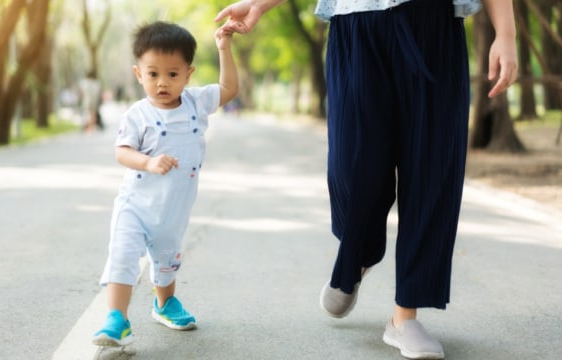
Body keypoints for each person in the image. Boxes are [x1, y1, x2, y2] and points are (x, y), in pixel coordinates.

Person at [215, 0, 517, 359]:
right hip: (355, 24)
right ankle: (359, 250)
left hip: (434, 24)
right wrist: (260, 5)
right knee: (353, 165)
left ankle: (406, 315)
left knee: (432, 170)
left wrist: (506, 33)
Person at [92, 21, 238, 347]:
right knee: (123, 252)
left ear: (188, 73)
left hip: (173, 208)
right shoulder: (137, 114)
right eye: (153, 73)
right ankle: (117, 318)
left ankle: (164, 302)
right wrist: (148, 161)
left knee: (167, 258)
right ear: (138, 73)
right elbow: (122, 152)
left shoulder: (196, 103)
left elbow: (229, 90)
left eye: (173, 74)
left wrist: (224, 48)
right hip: (136, 203)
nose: (162, 83)